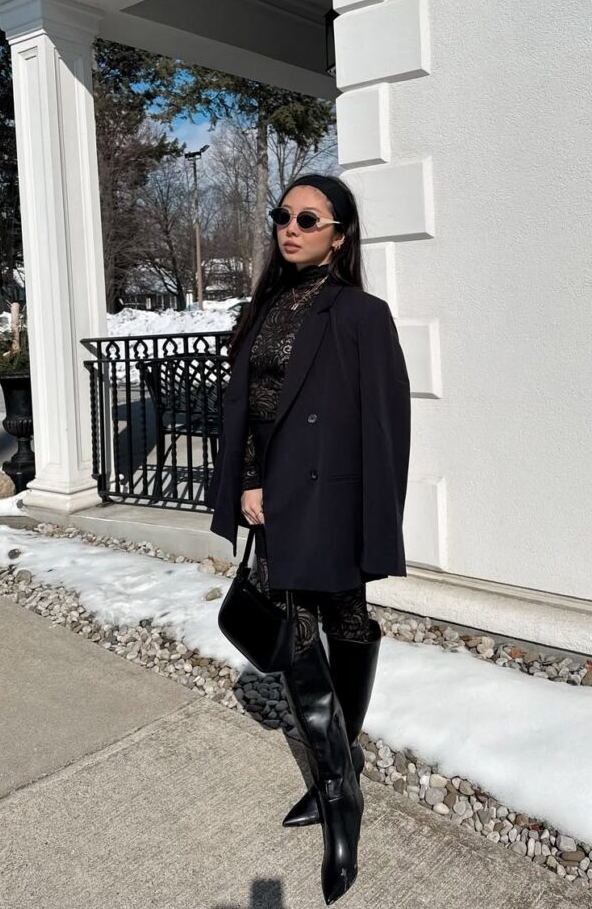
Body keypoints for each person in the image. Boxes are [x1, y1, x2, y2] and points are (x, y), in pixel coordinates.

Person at [206, 173, 411, 904]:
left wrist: (374, 521)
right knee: (292, 634)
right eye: (281, 217)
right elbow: (249, 413)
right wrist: (246, 482)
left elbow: (384, 428)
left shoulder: (360, 313)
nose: (289, 229)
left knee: (346, 620)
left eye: (307, 218)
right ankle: (339, 788)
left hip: (332, 495)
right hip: (275, 497)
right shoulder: (262, 308)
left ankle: (337, 779)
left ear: (340, 234)